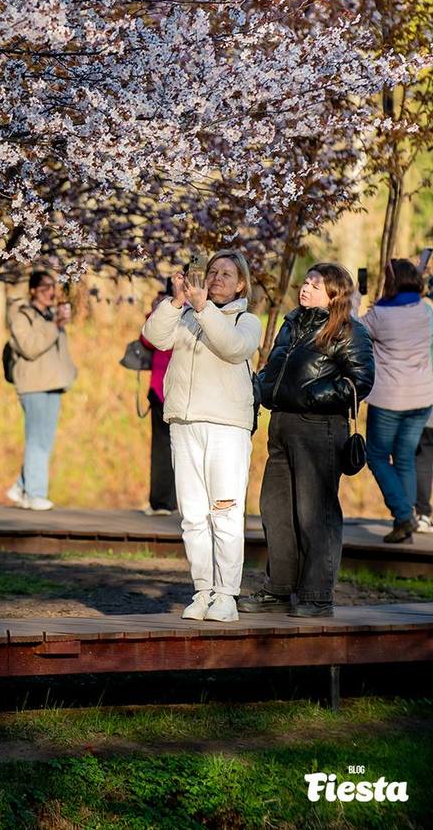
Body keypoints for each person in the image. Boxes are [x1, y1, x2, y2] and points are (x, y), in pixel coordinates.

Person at [238, 263, 374, 619]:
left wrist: (317, 395)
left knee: (316, 514)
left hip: (320, 428)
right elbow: (275, 366)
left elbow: (361, 379)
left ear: (334, 293)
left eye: (315, 284)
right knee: (276, 510)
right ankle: (279, 589)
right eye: (305, 281)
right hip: (281, 425)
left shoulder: (348, 329)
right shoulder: (292, 323)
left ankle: (317, 594)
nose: (306, 288)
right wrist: (264, 386)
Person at [142, 250, 261, 622]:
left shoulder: (247, 320)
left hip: (226, 427)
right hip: (184, 423)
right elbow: (153, 337)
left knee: (224, 512)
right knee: (192, 515)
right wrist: (176, 301)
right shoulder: (187, 317)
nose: (217, 278)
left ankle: (226, 594)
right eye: (212, 272)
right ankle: (202, 590)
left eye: (227, 273)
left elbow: (233, 346)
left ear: (241, 283)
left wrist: (204, 308)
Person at [360, 259, 433, 543]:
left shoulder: (380, 315)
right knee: (404, 458)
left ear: (391, 282)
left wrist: (360, 300)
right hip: (422, 399)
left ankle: (404, 516)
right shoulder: (426, 312)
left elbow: (356, 329)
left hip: (390, 399)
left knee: (377, 456)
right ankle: (405, 521)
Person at [5, 271, 77, 511]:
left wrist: (70, 373)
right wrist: (54, 326)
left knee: (45, 441)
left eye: (53, 286)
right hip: (33, 385)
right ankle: (35, 493)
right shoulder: (20, 315)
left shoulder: (50, 315)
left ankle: (21, 486)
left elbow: (59, 351)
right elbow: (30, 347)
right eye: (45, 287)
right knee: (36, 441)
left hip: (54, 384)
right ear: (33, 290)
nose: (50, 291)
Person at [140, 288, 176, 514]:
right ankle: (162, 501)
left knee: (173, 448)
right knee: (164, 447)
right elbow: (147, 340)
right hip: (160, 389)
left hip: (178, 389)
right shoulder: (166, 313)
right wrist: (156, 313)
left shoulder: (191, 313)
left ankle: (167, 501)